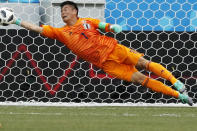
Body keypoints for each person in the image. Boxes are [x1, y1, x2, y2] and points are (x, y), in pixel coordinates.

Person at [5, 1, 193, 105]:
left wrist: (113, 28)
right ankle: (180, 97)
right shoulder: (60, 33)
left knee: (144, 63)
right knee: (140, 79)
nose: (63, 12)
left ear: (75, 11)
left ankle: (176, 81)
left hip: (115, 49)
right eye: (61, 10)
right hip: (106, 64)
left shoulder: (87, 21)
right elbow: (37, 29)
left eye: (66, 9)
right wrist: (16, 21)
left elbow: (104, 26)